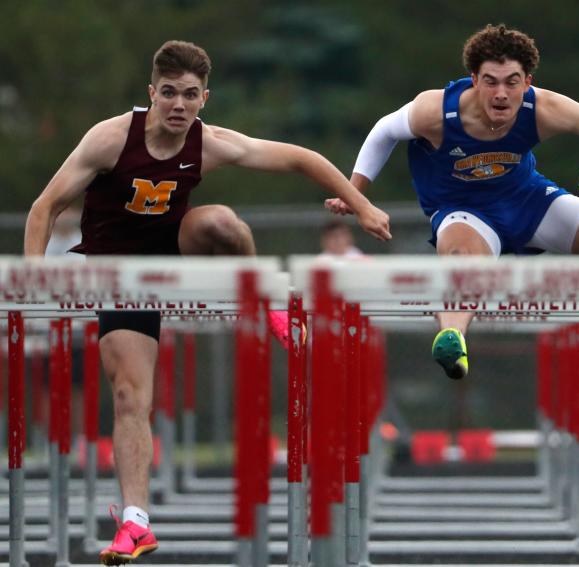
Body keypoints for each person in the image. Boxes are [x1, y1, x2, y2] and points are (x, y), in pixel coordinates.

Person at [23, 40, 391, 566]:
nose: (178, 105)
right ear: (151, 93)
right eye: (168, 93)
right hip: (121, 273)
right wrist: (35, 283)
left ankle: (267, 300)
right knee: (130, 396)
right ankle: (136, 524)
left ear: (204, 99)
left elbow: (301, 159)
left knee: (221, 221)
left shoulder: (211, 142)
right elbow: (44, 207)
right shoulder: (109, 140)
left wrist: (362, 205)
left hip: (179, 249)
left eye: (189, 95)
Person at [326, 23, 579, 379]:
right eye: (491, 81)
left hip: (529, 201)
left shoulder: (546, 109)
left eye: (512, 82)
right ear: (474, 79)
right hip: (464, 210)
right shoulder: (436, 111)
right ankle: (453, 337)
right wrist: (355, 192)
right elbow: (383, 131)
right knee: (463, 262)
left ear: (528, 82)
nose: (501, 94)